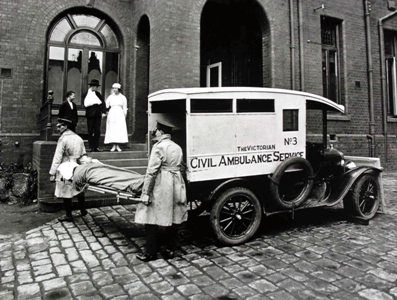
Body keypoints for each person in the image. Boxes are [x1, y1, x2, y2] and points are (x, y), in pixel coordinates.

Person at [135, 121, 188, 262]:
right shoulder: (177, 147)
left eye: (157, 130)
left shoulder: (158, 147)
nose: (155, 133)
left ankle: (150, 252)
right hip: (176, 181)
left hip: (163, 183)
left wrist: (146, 192)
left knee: (150, 216)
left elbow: (151, 172)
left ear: (161, 132)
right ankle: (170, 249)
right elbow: (182, 167)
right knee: (174, 215)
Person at [49, 118, 87, 222]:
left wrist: (52, 172)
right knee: (79, 187)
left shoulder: (63, 139)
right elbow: (83, 154)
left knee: (66, 190)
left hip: (65, 166)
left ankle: (69, 215)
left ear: (66, 126)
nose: (58, 128)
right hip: (77, 166)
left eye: (60, 126)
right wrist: (84, 167)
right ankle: (83, 210)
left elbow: (57, 157)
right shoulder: (79, 138)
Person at [104, 83, 128, 151]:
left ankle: (118, 146)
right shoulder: (110, 97)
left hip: (120, 114)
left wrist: (124, 115)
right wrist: (106, 112)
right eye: (113, 88)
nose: (114, 90)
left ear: (119, 89)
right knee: (112, 129)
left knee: (119, 129)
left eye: (116, 88)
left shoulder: (123, 97)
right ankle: (113, 145)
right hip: (112, 114)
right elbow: (106, 106)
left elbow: (125, 107)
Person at [84, 79, 106, 152]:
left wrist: (103, 112)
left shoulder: (98, 94)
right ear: (91, 86)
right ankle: (91, 147)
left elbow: (103, 103)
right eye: (93, 86)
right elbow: (85, 104)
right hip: (90, 115)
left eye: (96, 87)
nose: (95, 88)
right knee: (90, 130)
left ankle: (96, 147)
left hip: (97, 114)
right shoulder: (86, 94)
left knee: (97, 131)